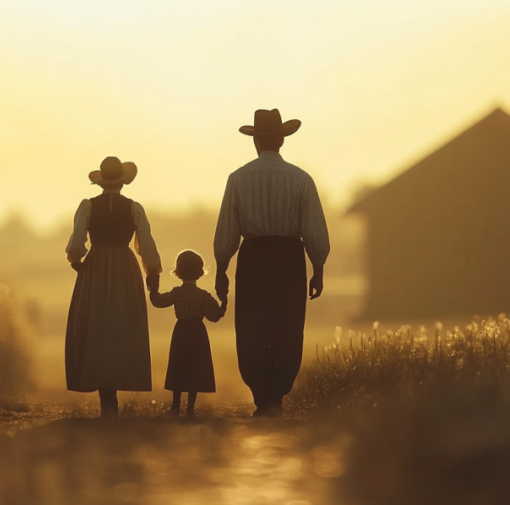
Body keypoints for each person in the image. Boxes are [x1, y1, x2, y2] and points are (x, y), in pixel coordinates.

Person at [213, 109, 330, 418]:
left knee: (252, 328)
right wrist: (317, 269)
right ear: (281, 140)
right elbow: (315, 231)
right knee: (287, 327)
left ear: (256, 142)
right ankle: (275, 397)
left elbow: (227, 230)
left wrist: (222, 268)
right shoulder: (301, 179)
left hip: (253, 259)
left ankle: (262, 395)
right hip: (289, 258)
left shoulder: (238, 179)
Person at [65, 156, 162, 418]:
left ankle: (106, 397)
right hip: (124, 265)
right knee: (121, 325)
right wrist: (152, 272)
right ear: (122, 182)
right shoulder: (133, 208)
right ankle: (113, 394)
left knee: (96, 325)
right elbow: (147, 244)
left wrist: (78, 262)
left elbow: (75, 244)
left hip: (96, 265)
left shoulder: (88, 207)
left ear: (101, 182)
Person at [150, 250, 227, 417]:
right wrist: (224, 303)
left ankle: (175, 405)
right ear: (200, 272)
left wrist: (153, 288)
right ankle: (190, 408)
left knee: (179, 365)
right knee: (195, 368)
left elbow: (158, 302)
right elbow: (214, 316)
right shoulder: (203, 296)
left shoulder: (177, 293)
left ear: (178, 271)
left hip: (181, 332)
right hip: (198, 333)